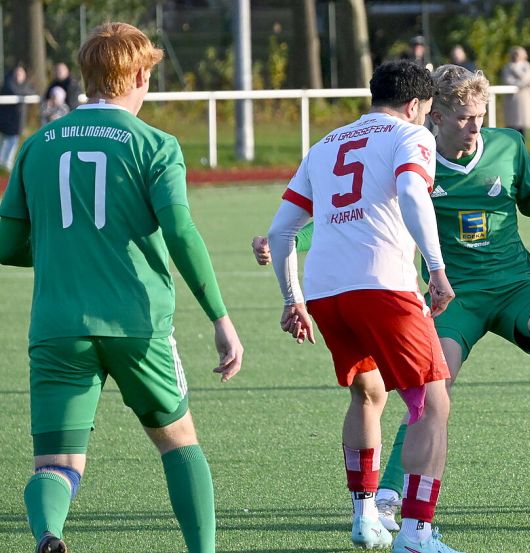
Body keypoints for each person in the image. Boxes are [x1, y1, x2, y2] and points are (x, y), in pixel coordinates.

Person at [253, 64, 530, 525]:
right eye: (463, 117)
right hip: (456, 298)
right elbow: (353, 215)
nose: (476, 126)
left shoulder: (507, 145)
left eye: (481, 115)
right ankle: (392, 493)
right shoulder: (411, 151)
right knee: (432, 390)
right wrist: (287, 240)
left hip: (516, 284)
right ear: (433, 114)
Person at [0, 22, 243, 553]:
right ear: (135, 74)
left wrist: (62, 250)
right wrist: (220, 317)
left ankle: (49, 534)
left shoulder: (37, 147)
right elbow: (180, 232)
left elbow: (5, 243)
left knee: (56, 464)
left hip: (58, 325)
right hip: (137, 322)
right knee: (179, 443)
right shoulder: (155, 145)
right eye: (148, 75)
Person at [265, 60, 462, 553]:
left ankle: (365, 516)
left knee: (368, 393)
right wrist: (436, 269)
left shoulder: (325, 144)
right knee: (432, 404)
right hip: (383, 288)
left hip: (326, 293)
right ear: (417, 105)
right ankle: (417, 533)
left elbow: (280, 231)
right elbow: (414, 192)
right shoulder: (411, 136)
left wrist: (293, 300)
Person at [0, 65, 35, 171]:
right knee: (5, 142)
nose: (18, 75)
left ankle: (6, 165)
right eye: (17, 73)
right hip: (5, 121)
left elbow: (32, 92)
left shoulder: (25, 85)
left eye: (21, 73)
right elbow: (14, 91)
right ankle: (4, 164)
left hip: (17, 121)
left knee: (12, 142)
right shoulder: (8, 84)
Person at [501, 46, 530, 137]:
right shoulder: (508, 67)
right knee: (512, 127)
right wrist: (524, 83)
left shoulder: (527, 66)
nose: (517, 56)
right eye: (515, 54)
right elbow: (508, 81)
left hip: (524, 99)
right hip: (512, 100)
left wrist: (523, 82)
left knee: (522, 127)